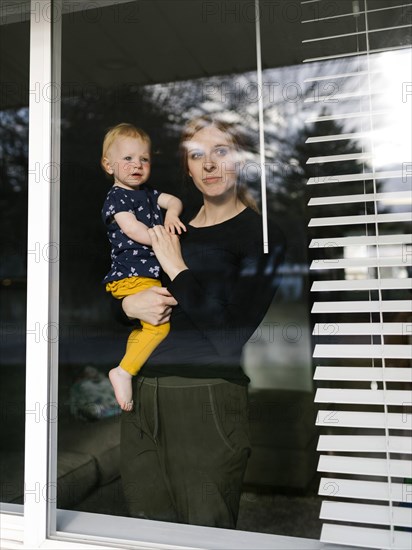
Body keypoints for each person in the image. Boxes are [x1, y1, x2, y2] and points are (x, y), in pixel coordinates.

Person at [113, 115, 285, 528]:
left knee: (202, 533)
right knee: (143, 531)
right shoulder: (170, 228)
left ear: (241, 159)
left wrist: (176, 267)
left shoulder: (262, 235)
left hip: (206, 397)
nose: (209, 164)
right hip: (140, 396)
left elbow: (231, 335)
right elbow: (128, 295)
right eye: (197, 155)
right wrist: (127, 308)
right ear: (187, 168)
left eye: (221, 151)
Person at [101, 123, 186, 411]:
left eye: (144, 159)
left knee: (145, 328)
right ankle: (123, 372)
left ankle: (125, 370)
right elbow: (133, 229)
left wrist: (172, 214)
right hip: (130, 276)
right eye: (127, 158)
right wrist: (161, 236)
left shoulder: (148, 192)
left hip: (143, 276)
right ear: (108, 164)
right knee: (160, 328)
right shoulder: (116, 198)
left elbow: (174, 200)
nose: (137, 165)